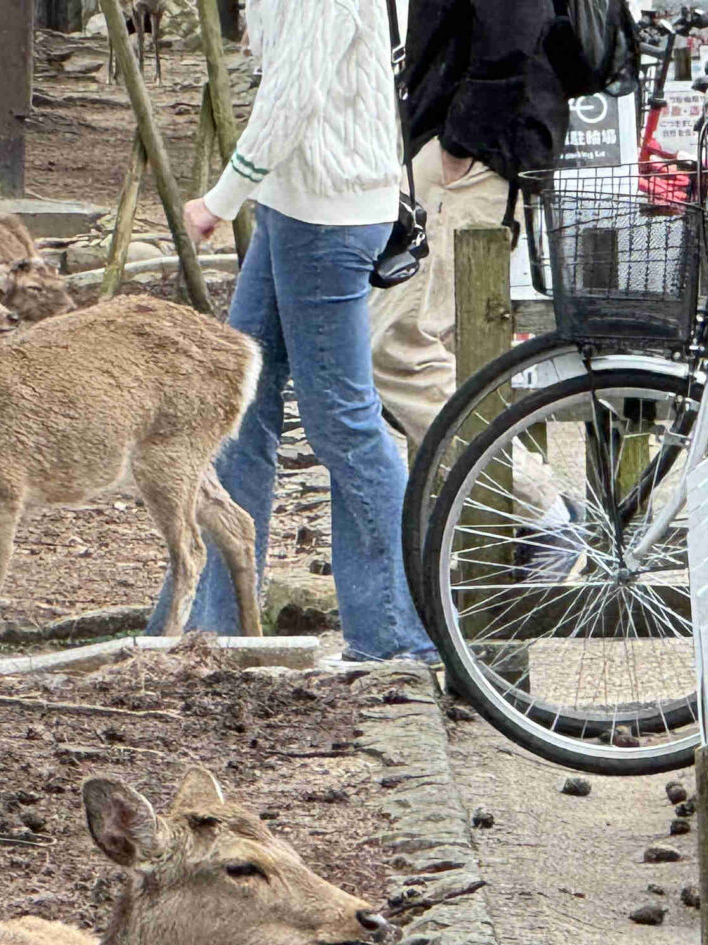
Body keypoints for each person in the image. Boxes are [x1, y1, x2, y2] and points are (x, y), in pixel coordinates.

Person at [163, 0, 436, 662]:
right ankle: (216, 622)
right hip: (293, 206)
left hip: (331, 214)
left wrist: (220, 200)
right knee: (241, 410)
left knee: (343, 422)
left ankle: (400, 638)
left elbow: (294, 96)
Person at [377, 0, 580, 575]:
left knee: (395, 346)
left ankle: (543, 509)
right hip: (475, 148)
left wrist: (459, 144)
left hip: (475, 153)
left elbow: (513, 29)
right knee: (442, 350)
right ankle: (473, 540)